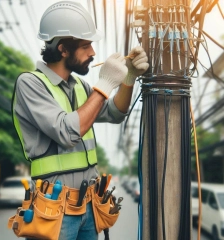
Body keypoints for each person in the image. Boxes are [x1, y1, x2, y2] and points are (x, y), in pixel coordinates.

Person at [12, 1, 149, 240]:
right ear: (63, 49)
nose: (93, 53)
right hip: (54, 208)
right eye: (86, 46)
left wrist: (128, 78)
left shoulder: (80, 87)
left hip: (87, 205)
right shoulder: (30, 84)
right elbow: (67, 132)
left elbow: (116, 112)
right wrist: (105, 84)